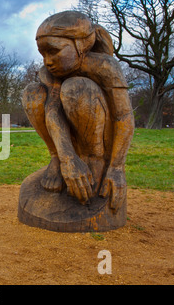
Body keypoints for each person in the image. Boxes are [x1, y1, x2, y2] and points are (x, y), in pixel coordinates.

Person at [22, 11, 134, 213]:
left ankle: (94, 161)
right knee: (32, 94)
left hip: (99, 140)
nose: (47, 61)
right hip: (66, 147)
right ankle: (55, 157)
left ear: (81, 45)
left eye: (54, 51)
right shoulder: (50, 72)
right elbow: (52, 111)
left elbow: (123, 116)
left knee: (77, 88)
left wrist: (117, 167)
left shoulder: (106, 67)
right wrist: (66, 158)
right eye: (43, 54)